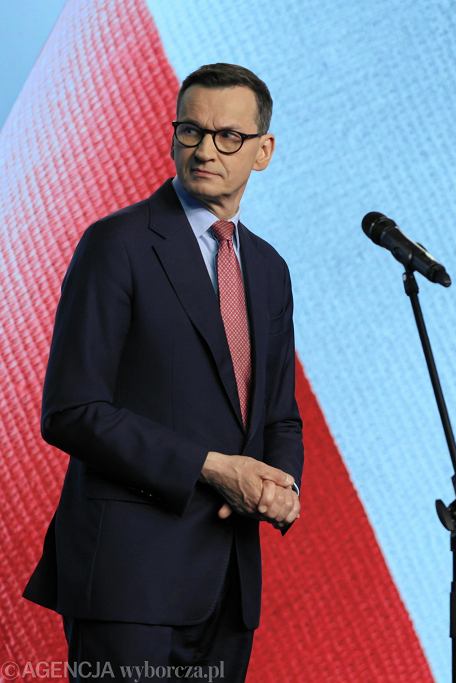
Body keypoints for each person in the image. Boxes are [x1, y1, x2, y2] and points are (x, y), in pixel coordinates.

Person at [23, 63, 303, 682]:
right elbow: (71, 410)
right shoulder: (116, 244)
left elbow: (279, 416)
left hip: (228, 584)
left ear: (263, 151)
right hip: (129, 580)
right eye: (190, 131)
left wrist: (282, 487)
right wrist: (212, 468)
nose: (205, 150)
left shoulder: (269, 270)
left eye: (228, 136)